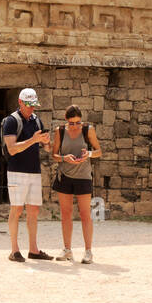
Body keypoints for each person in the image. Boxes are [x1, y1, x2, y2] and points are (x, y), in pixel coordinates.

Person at [2, 88, 54, 263]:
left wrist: (46, 143)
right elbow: (12, 148)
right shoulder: (11, 121)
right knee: (16, 209)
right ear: (20, 102)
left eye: (34, 105)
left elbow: (46, 148)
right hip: (16, 171)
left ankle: (33, 249)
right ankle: (14, 250)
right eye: (29, 105)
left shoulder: (37, 121)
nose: (32, 109)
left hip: (34, 171)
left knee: (33, 210)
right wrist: (34, 140)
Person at [52, 106, 102, 263]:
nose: (75, 126)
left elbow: (99, 151)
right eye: (71, 123)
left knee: (85, 214)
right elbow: (54, 155)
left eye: (77, 122)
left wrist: (90, 154)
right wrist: (63, 158)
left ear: (81, 120)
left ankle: (88, 252)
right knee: (66, 214)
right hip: (64, 176)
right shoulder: (59, 131)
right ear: (66, 121)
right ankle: (67, 250)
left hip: (83, 176)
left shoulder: (88, 130)